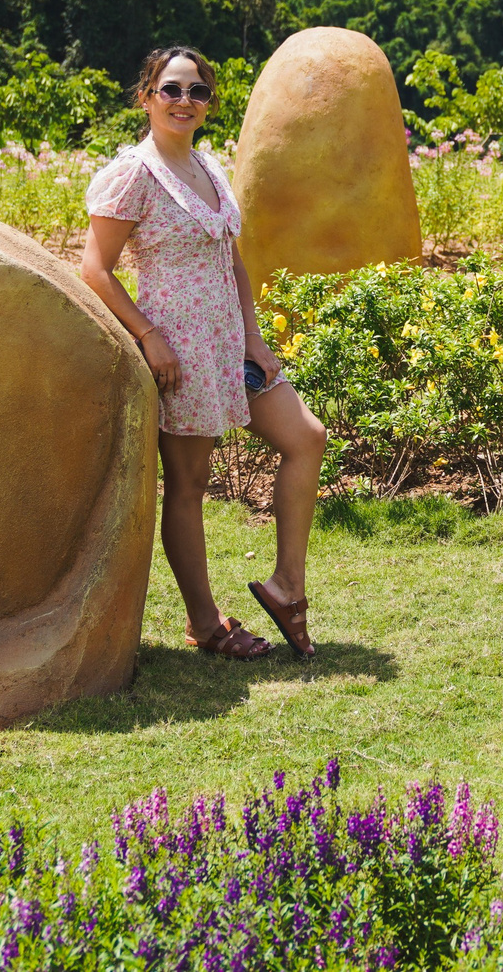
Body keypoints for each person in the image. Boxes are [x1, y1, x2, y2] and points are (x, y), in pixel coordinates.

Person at [78, 46, 329, 660]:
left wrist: (254, 336)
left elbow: (233, 262)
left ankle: (286, 586)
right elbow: (95, 268)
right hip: (180, 351)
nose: (185, 101)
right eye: (171, 89)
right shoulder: (133, 173)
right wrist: (148, 335)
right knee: (189, 484)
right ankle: (206, 623)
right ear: (147, 98)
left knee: (307, 437)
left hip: (230, 346)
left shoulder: (209, 168)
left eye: (197, 91)